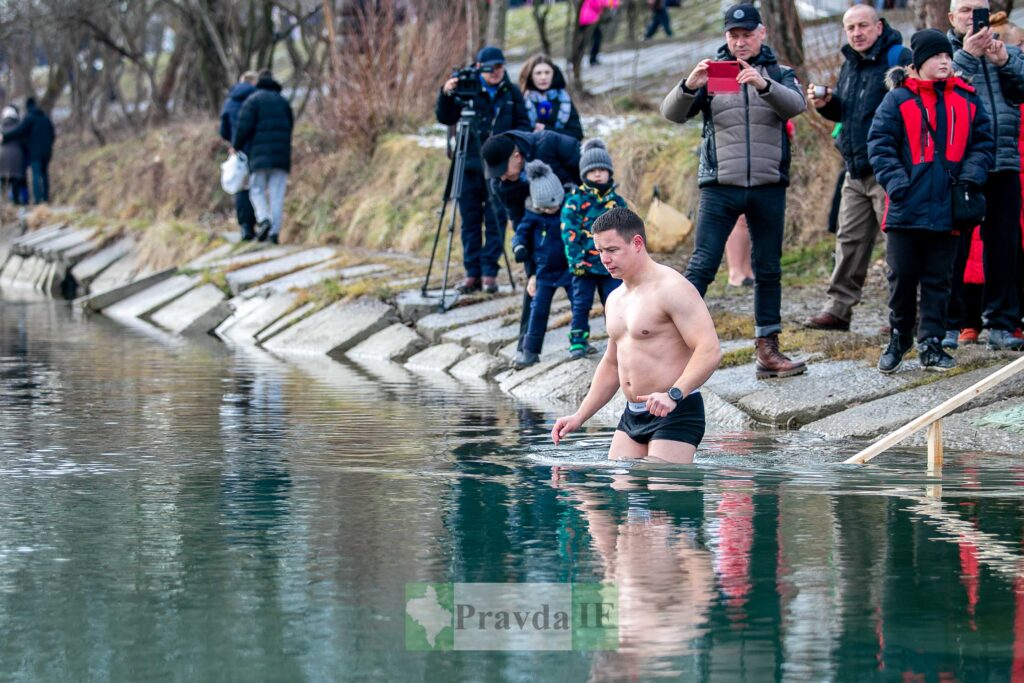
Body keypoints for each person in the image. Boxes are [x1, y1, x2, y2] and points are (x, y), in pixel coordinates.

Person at [660, 4, 807, 379]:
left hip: (767, 184)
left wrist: (763, 83)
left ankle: (767, 349)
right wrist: (689, 85)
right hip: (719, 184)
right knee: (703, 264)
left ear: (762, 34)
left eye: (746, 34)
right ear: (726, 37)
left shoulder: (778, 73)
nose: (740, 42)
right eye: (733, 35)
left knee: (769, 268)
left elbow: (796, 106)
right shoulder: (713, 74)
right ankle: (672, 341)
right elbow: (672, 114)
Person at [551, 207, 722, 465]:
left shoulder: (672, 288)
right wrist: (579, 416)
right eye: (600, 251)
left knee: (659, 488)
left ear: (637, 243)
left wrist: (674, 394)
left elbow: (709, 349)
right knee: (621, 485)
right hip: (633, 415)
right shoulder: (615, 298)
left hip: (675, 410)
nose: (604, 259)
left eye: (612, 250)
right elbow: (611, 363)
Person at [867, 29, 994, 373]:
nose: (944, 62)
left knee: (940, 279)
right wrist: (898, 184)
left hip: (950, 206)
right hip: (906, 207)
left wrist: (970, 177)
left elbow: (984, 143)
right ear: (918, 62)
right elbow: (879, 145)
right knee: (902, 276)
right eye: (937, 56)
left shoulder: (967, 98)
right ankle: (899, 335)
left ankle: (932, 343)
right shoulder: (897, 100)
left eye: (947, 57)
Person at [804, 5, 912, 331]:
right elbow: (849, 115)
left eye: (863, 26)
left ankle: (908, 314)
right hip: (854, 168)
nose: (857, 33)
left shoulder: (898, 57)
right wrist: (828, 106)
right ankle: (838, 309)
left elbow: (912, 110)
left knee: (900, 244)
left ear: (879, 26)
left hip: (890, 169)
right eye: (850, 28)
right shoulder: (849, 63)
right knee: (848, 242)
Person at [945, 0, 1024, 350]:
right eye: (964, 10)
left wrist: (1004, 62)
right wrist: (967, 56)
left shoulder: (1004, 49)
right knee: (953, 247)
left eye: (978, 9)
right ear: (951, 17)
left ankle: (1003, 324)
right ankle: (950, 323)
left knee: (1004, 246)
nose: (971, 16)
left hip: (1004, 159)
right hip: (959, 166)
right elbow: (938, 93)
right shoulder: (943, 51)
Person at [436, 46, 531, 294]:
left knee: (496, 220)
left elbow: (523, 124)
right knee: (469, 220)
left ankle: (490, 272)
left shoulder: (510, 92)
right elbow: (445, 117)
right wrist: (446, 94)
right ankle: (472, 273)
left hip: (498, 166)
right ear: (479, 67)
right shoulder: (466, 88)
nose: (496, 73)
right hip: (467, 163)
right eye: (491, 68)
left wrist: (510, 148)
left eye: (500, 67)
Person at [561, 138, 627, 359]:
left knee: (615, 303)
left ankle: (619, 342)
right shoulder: (575, 201)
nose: (598, 174)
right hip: (584, 266)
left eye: (602, 170)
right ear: (584, 174)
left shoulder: (616, 202)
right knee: (581, 304)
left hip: (612, 267)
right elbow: (569, 233)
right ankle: (578, 341)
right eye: (593, 171)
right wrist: (575, 261)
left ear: (609, 172)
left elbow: (626, 232)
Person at [510, 161, 572, 368]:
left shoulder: (568, 209)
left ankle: (580, 342)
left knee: (579, 306)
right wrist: (519, 247)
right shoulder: (533, 215)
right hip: (543, 272)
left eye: (551, 206)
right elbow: (520, 234)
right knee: (538, 311)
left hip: (569, 269)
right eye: (543, 207)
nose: (548, 210)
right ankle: (530, 351)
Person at [233, 71, 293, 244]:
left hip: (258, 156)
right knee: (277, 194)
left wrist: (236, 146)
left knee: (256, 190)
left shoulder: (253, 101)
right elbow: (290, 126)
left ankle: (264, 218)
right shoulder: (283, 102)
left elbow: (243, 127)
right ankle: (274, 234)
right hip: (281, 156)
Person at [480, 127, 581, 230]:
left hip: (579, 210)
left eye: (503, 170)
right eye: (496, 173)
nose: (502, 178)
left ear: (517, 157)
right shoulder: (499, 184)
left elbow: (588, 169)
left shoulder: (548, 142)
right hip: (545, 229)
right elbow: (517, 217)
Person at [219, 71, 258, 241]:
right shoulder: (257, 98)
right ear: (254, 82)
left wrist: (233, 143)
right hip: (258, 148)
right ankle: (263, 223)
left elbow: (223, 130)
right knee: (259, 187)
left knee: (242, 189)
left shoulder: (230, 102)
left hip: (239, 150)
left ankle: (246, 227)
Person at [518, 55, 584, 141]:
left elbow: (577, 134)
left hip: (559, 151)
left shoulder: (563, 100)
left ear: (553, 74)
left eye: (547, 72)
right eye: (538, 73)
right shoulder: (521, 99)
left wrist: (547, 131)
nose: (543, 77)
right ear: (531, 76)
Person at [1, 97, 54, 204]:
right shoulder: (45, 118)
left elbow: (19, 131)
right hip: (47, 152)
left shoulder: (29, 118)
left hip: (35, 152)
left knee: (36, 175)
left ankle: (38, 200)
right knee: (44, 175)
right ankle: (46, 199)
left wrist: (5, 137)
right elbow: (52, 134)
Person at [0, 106, 27, 206]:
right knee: (15, 180)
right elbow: (24, 142)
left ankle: (2, 201)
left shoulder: (1, 127)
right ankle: (16, 201)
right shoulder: (19, 126)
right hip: (16, 156)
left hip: (2, 156)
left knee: (3, 180)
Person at [579, 0, 619, 66]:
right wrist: (615, 3)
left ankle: (578, 59)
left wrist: (614, 3)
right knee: (595, 39)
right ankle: (591, 59)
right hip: (588, 20)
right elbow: (598, 4)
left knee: (586, 40)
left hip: (586, 19)